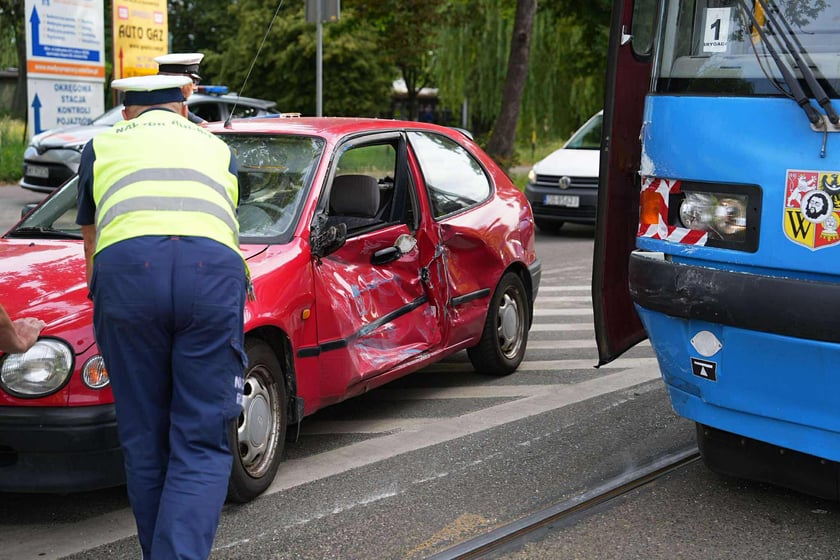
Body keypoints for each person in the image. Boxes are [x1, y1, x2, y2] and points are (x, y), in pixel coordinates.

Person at [75, 74, 247, 559]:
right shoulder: (216, 146)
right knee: (203, 439)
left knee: (144, 436)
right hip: (212, 275)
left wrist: (104, 299)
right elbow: (225, 221)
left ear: (127, 110)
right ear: (184, 106)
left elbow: (91, 240)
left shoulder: (101, 145)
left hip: (127, 275)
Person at [155, 52, 206, 123]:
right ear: (180, 83)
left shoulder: (154, 102)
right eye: (194, 81)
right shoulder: (170, 109)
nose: (195, 87)